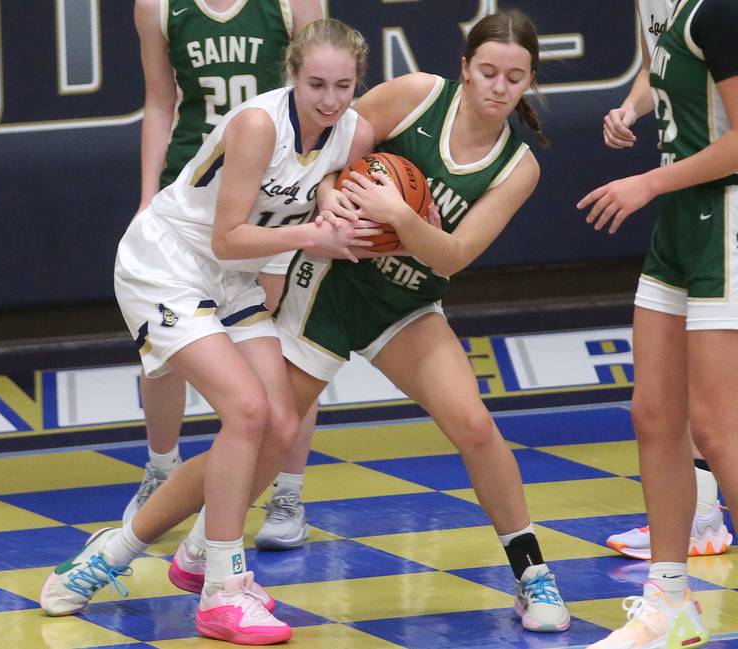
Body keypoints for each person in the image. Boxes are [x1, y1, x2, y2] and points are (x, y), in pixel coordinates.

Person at [41, 18, 376, 645]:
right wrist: (316, 235)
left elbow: (329, 175)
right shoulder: (257, 125)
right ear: (292, 76)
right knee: (247, 410)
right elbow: (228, 236)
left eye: (344, 86)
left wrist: (332, 198)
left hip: (231, 281)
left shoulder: (350, 130)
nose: (330, 100)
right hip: (166, 265)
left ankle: (130, 556)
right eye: (316, 85)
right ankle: (223, 590)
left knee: (281, 422)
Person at [269, 9, 571, 633]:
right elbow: (327, 154)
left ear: (529, 82)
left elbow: (452, 256)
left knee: (476, 426)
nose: (498, 86)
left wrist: (396, 215)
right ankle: (151, 549)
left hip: (406, 302)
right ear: (465, 68)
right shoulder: (416, 95)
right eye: (487, 71)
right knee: (263, 433)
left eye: (514, 78)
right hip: (334, 282)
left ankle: (532, 573)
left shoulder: (519, 168)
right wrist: (334, 204)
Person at [124, 0, 324, 526]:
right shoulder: (159, 8)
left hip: (277, 195)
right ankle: (163, 470)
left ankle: (286, 490)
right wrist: (148, 196)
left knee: (284, 355)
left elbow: (324, 92)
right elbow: (160, 102)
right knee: (163, 350)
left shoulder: (292, 5)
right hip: (196, 186)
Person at [578, 0, 738, 645]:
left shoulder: (720, 11)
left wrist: (648, 181)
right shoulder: (666, 10)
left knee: (719, 430)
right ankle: (670, 602)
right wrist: (635, 114)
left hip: (722, 219)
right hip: (679, 222)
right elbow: (665, 77)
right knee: (654, 414)